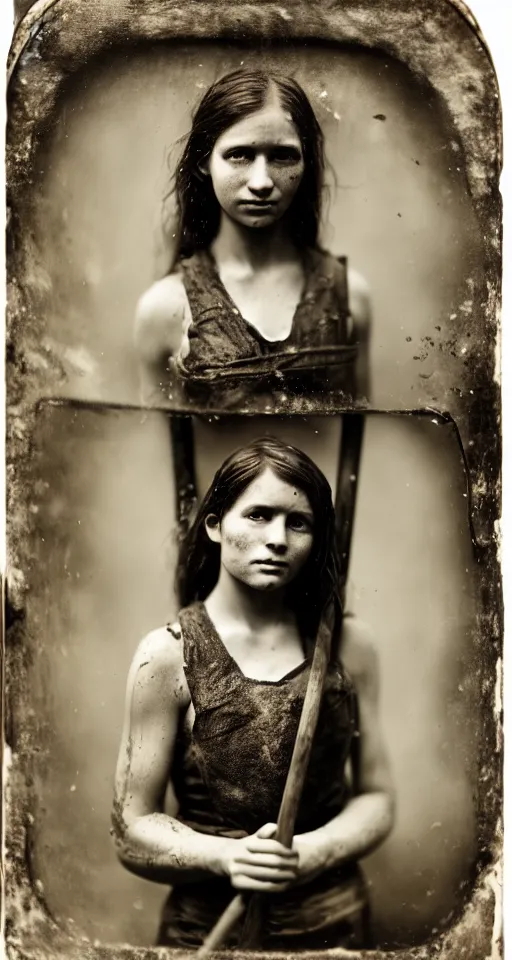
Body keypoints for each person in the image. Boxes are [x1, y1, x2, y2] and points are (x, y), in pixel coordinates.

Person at [112, 438, 394, 950]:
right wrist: (226, 857)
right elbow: (131, 829)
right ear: (215, 525)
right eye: (258, 516)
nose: (279, 539)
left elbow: (377, 797)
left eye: (299, 522)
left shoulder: (351, 646)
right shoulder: (166, 655)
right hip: (209, 930)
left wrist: (312, 852)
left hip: (334, 928)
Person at [134, 69, 371, 405]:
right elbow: (156, 446)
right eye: (240, 155)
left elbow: (358, 439)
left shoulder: (349, 298)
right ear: (204, 162)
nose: (261, 182)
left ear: (306, 164)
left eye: (282, 155)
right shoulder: (164, 308)